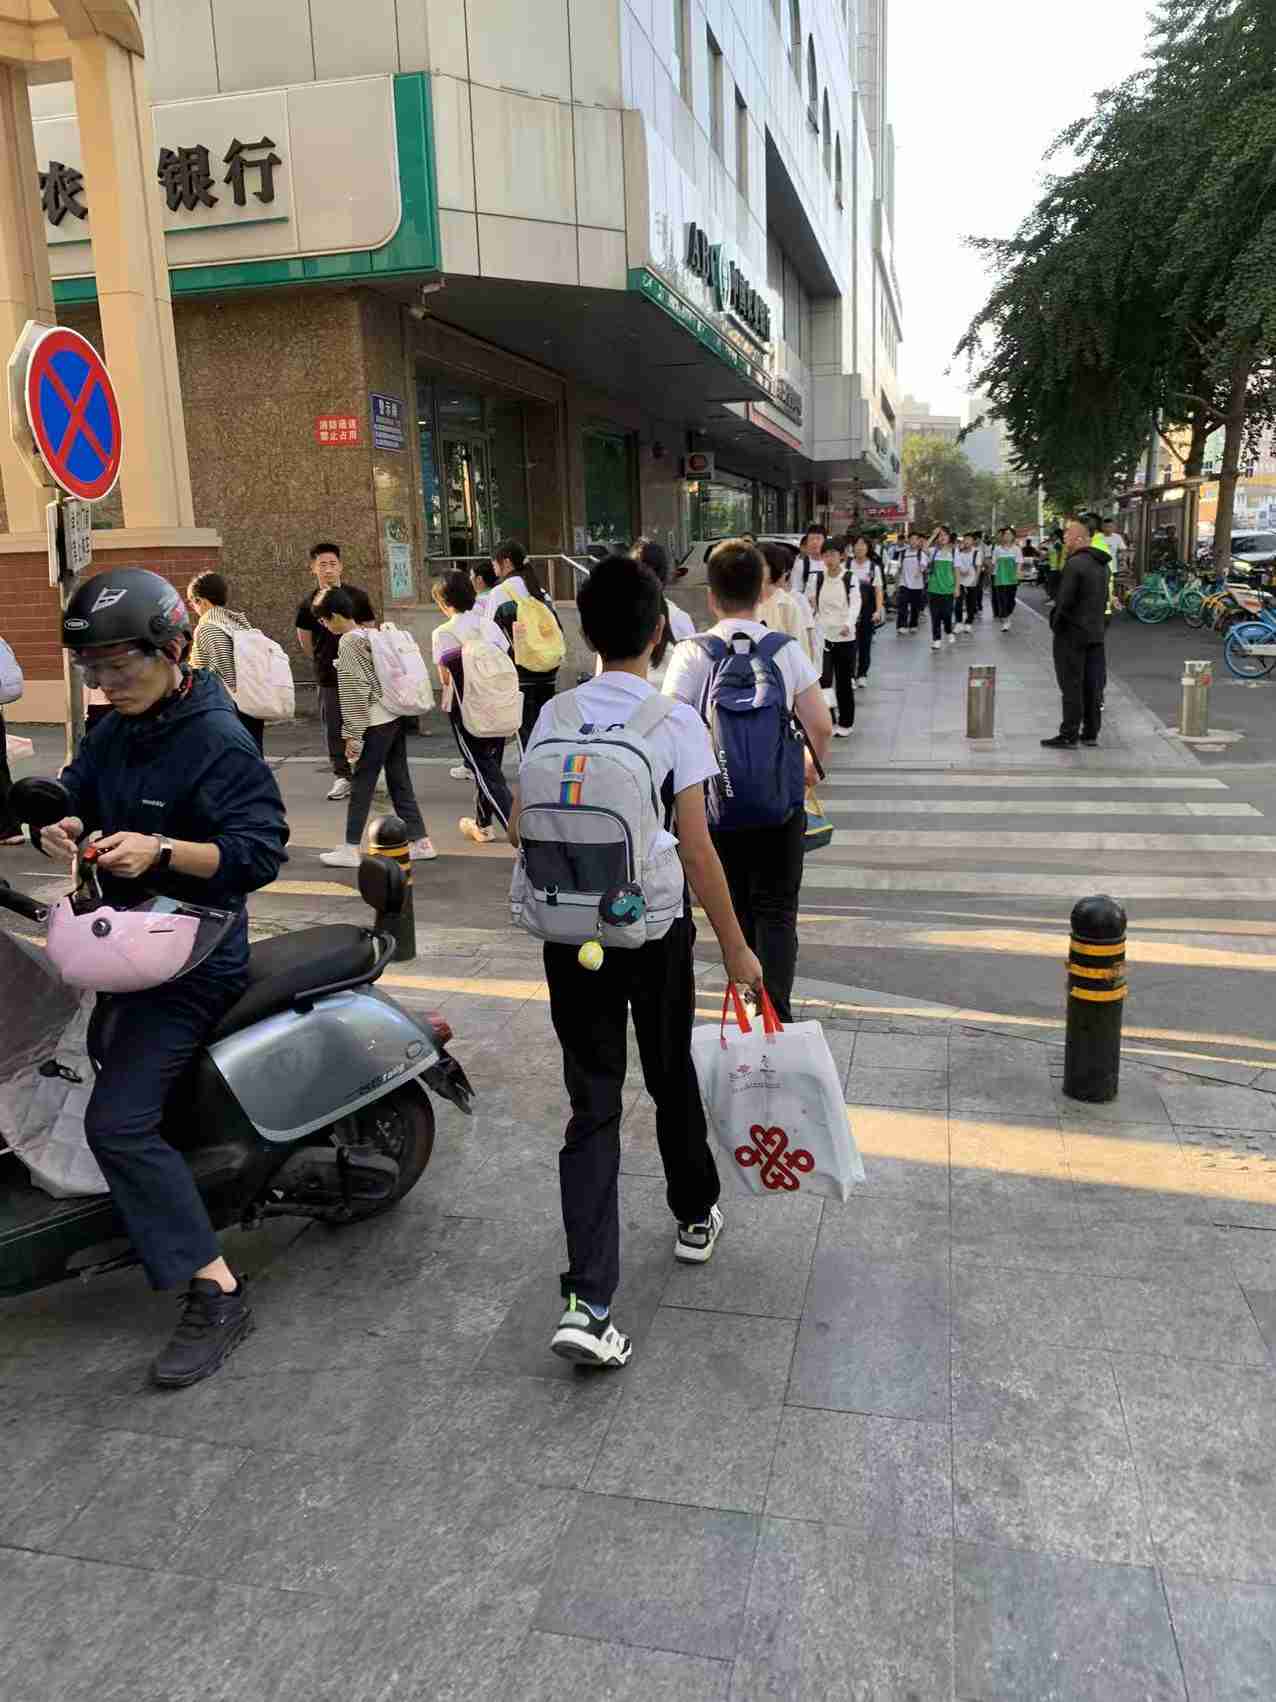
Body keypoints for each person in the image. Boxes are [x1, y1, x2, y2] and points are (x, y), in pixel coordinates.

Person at [512, 555, 764, 1368]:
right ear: (659, 631)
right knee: (666, 1073)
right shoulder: (673, 723)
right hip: (652, 934)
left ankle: (588, 1304)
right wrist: (736, 947)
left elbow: (521, 825)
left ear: (585, 631)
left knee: (591, 1105)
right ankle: (693, 1214)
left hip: (569, 938)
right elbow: (697, 850)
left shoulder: (553, 715)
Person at [41, 568, 287, 1388]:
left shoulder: (216, 738)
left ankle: (217, 1290)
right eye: (95, 669)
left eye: (121, 666)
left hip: (191, 953)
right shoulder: (118, 725)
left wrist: (163, 852)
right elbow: (77, 788)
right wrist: (63, 820)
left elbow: (259, 853)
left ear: (173, 649)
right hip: (119, 940)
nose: (107, 683)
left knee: (116, 1124)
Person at [664, 539, 832, 1022]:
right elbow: (820, 725)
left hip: (717, 807)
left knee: (735, 912)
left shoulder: (692, 653)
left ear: (711, 595)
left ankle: (748, 1006)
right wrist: (808, 770)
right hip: (780, 807)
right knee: (777, 912)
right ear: (762, 591)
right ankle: (776, 1014)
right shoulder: (784, 650)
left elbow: (670, 725)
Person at [313, 587, 435, 867]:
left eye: (323, 619)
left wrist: (352, 736)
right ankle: (421, 841)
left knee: (362, 785)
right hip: (393, 717)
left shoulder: (348, 643)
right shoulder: (371, 635)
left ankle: (350, 848)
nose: (324, 625)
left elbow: (355, 692)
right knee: (399, 780)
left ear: (334, 616)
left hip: (373, 722)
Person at [431, 570, 514, 844]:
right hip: (498, 702)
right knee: (490, 766)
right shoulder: (489, 625)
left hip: (465, 708)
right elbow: (507, 658)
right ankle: (483, 824)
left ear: (443, 602)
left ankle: (519, 832)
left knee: (484, 770)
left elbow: (445, 679)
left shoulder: (443, 633)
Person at [295, 544, 370, 803]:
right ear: (313, 568)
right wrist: (320, 659)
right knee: (334, 726)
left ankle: (368, 772)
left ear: (341, 566)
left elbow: (370, 631)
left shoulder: (358, 597)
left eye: (332, 563)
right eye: (322, 564)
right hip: (328, 675)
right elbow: (305, 641)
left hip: (360, 673)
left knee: (365, 722)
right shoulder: (307, 604)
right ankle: (342, 775)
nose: (328, 569)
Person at [491, 539, 565, 753]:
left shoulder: (500, 593)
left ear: (506, 562)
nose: (494, 568)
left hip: (520, 671)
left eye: (494, 563)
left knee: (526, 733)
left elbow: (491, 637)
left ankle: (532, 770)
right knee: (544, 728)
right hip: (548, 669)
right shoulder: (540, 591)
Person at [1043, 517, 1109, 750]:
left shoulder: (1075, 564)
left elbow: (1064, 600)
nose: (1064, 538)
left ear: (1080, 538)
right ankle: (1091, 732)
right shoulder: (1102, 564)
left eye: (1068, 535)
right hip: (1095, 631)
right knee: (1093, 684)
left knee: (1071, 684)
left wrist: (1056, 623)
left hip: (1072, 633)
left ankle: (1069, 733)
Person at [186, 572, 265, 753]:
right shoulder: (238, 623)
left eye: (192, 602)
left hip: (228, 707)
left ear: (201, 601)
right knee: (253, 755)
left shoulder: (207, 627)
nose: (193, 607)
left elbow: (221, 673)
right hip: (251, 700)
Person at [814, 536, 859, 734]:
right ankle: (829, 719)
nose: (829, 559)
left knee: (843, 682)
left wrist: (848, 624)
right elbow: (811, 601)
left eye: (832, 554)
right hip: (823, 637)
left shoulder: (849, 578)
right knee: (824, 681)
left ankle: (846, 722)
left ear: (841, 556)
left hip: (845, 637)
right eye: (825, 555)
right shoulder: (818, 578)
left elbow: (855, 603)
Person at [850, 536, 885, 685]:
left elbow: (878, 591)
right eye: (857, 544)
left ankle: (862, 674)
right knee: (850, 644)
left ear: (868, 548)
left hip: (867, 610)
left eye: (863, 544)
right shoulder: (846, 565)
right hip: (850, 610)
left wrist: (878, 610)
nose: (859, 547)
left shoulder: (873, 567)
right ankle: (850, 675)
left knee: (865, 643)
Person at [926, 526, 958, 649]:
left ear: (949, 537)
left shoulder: (954, 552)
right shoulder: (933, 551)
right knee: (935, 615)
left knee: (947, 614)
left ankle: (949, 631)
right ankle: (936, 639)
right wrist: (933, 535)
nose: (942, 537)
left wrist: (957, 587)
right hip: (933, 588)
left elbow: (956, 571)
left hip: (948, 588)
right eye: (940, 535)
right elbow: (924, 548)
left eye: (944, 535)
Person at [895, 528, 929, 634]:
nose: (913, 541)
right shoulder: (903, 553)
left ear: (919, 541)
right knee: (903, 605)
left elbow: (924, 566)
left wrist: (919, 571)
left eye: (916, 539)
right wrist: (897, 582)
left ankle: (913, 624)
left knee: (915, 606)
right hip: (904, 583)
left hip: (917, 585)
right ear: (908, 541)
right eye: (911, 539)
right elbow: (899, 568)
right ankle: (901, 625)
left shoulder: (921, 554)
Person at [991, 527, 1022, 631]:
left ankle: (1008, 614)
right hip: (1000, 578)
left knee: (1010, 600)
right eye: (1006, 534)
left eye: (1010, 534)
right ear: (1003, 536)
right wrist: (993, 575)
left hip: (1012, 578)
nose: (1008, 536)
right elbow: (994, 563)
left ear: (1013, 536)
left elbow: (1019, 563)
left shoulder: (1016, 549)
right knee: (1002, 600)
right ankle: (1006, 620)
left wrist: (1017, 574)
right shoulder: (997, 549)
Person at [955, 532, 981, 633]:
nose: (966, 541)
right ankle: (958, 623)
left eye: (969, 540)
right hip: (960, 581)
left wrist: (976, 580)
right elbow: (955, 566)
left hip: (972, 581)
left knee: (971, 604)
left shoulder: (976, 553)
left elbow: (978, 568)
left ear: (973, 541)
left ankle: (968, 623)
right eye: (965, 539)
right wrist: (960, 572)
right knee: (958, 603)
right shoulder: (958, 552)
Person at [795, 523, 828, 601]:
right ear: (807, 542)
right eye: (811, 539)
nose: (815, 542)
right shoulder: (801, 565)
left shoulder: (832, 564)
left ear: (825, 541)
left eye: (818, 539)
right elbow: (795, 592)